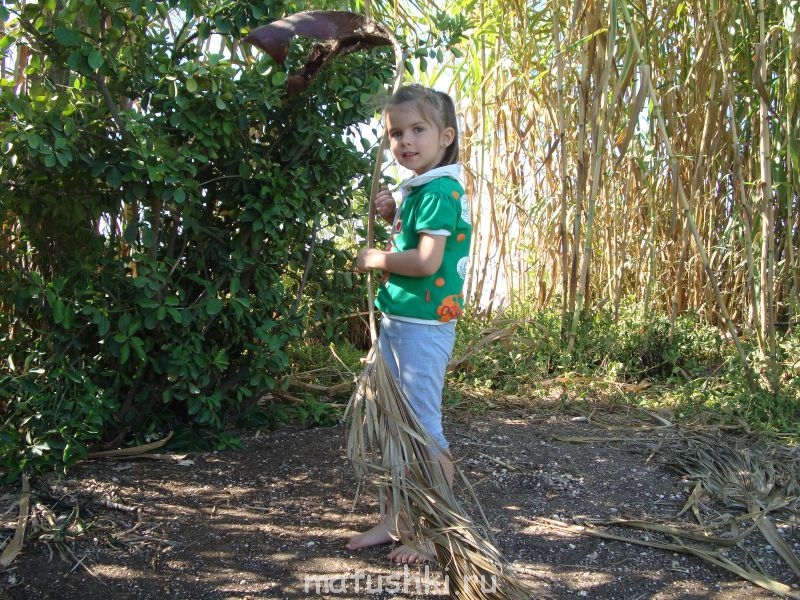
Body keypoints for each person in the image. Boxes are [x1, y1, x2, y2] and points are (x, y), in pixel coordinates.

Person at [347, 84, 472, 564]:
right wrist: (394, 214)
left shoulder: (439, 190)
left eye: (418, 129)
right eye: (396, 133)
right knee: (395, 423)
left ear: (445, 136)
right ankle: (399, 517)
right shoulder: (422, 188)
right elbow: (415, 240)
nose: (405, 141)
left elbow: (425, 261)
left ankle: (436, 527)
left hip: (422, 330)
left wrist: (376, 258)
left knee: (422, 427)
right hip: (403, 322)